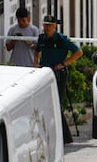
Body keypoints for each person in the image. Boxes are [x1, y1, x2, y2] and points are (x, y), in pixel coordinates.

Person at [34, 15, 83, 144]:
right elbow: (37, 50)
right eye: (45, 25)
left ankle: (65, 136)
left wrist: (64, 63)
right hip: (44, 73)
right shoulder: (42, 38)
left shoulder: (61, 40)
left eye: (50, 25)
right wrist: (36, 63)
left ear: (55, 26)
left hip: (58, 73)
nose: (47, 27)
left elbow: (78, 52)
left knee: (55, 103)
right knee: (45, 103)